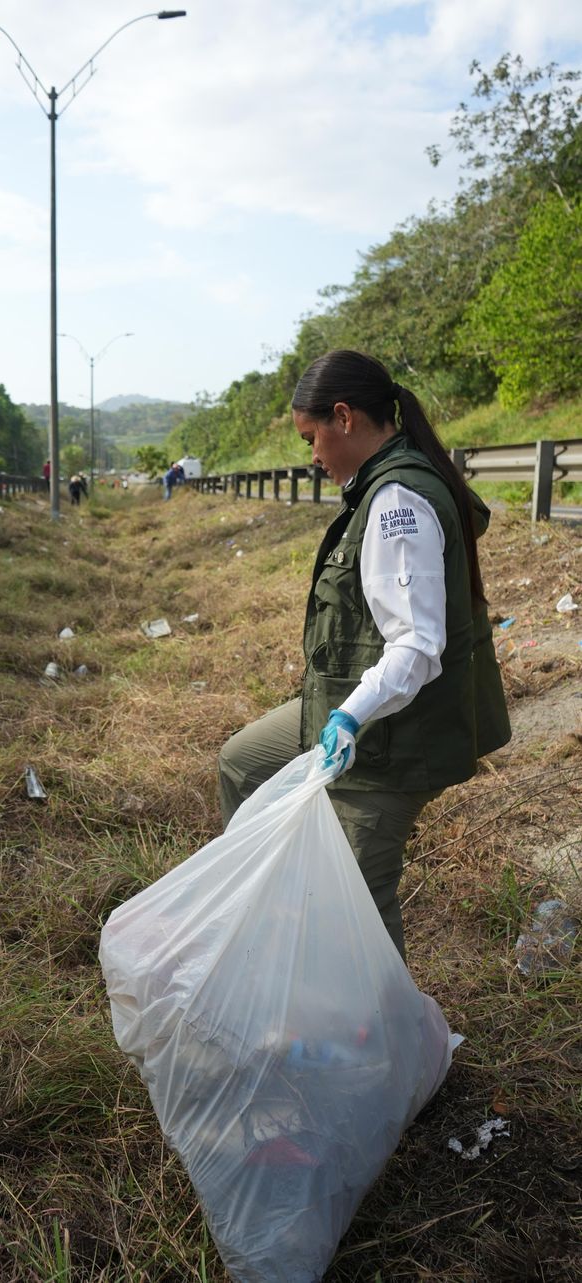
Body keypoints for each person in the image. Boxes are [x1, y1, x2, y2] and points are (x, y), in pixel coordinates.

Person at [218, 349, 510, 962]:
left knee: (358, 907)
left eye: (312, 439)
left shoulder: (396, 503)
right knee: (243, 763)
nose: (314, 457)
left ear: (343, 418)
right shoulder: (376, 487)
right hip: (356, 711)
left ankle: (378, 1047)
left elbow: (416, 645)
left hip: (395, 739)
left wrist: (350, 717)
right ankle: (276, 920)